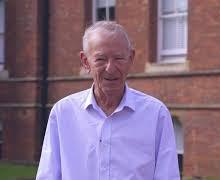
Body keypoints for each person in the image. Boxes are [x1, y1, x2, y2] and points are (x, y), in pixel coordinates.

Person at [36, 21, 180, 180]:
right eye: (101, 59)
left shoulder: (156, 114)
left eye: (119, 58)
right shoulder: (63, 113)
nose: (110, 68)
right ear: (85, 61)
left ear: (131, 58)